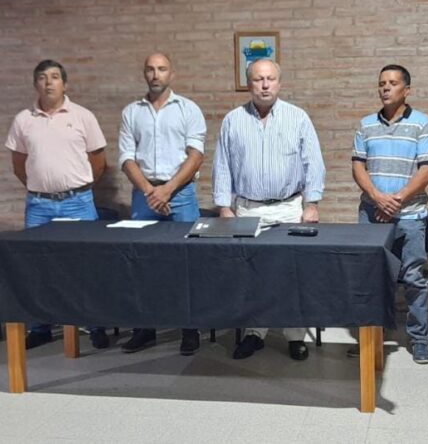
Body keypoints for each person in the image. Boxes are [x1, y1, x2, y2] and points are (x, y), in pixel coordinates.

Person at [212, 58, 326, 361]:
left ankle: (294, 336)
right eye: (258, 79)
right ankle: (255, 333)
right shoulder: (233, 120)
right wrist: (224, 207)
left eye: (270, 79)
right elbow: (222, 165)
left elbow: (313, 163)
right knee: (252, 275)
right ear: (248, 84)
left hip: (289, 208)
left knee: (292, 273)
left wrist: (312, 204)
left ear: (279, 83)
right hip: (248, 211)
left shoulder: (297, 118)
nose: (265, 85)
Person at [5, 59, 109, 349]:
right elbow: (19, 164)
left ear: (65, 84)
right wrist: (43, 187)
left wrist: (77, 188)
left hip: (78, 203)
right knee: (36, 267)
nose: (48, 82)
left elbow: (98, 161)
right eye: (42, 77)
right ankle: (40, 327)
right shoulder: (23, 120)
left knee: (86, 267)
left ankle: (95, 325)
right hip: (39, 206)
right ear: (35, 84)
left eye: (54, 77)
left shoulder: (82, 116)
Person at [118, 52, 206, 356]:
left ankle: (189, 329)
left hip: (181, 195)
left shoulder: (188, 109)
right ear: (144, 74)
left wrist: (167, 190)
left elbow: (196, 155)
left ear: (172, 74)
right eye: (150, 69)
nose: (156, 74)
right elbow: (126, 158)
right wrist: (150, 191)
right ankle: (144, 329)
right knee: (142, 263)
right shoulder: (132, 112)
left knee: (187, 263)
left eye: (162, 69)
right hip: (144, 197)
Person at [352, 64, 428, 364]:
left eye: (392, 83)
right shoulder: (365, 124)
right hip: (371, 214)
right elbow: (358, 167)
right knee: (370, 278)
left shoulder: (422, 123)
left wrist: (396, 201)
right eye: (381, 83)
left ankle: (419, 340)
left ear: (407, 89)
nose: (385, 88)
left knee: (413, 278)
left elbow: (427, 170)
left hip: (410, 215)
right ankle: (370, 338)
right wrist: (378, 198)